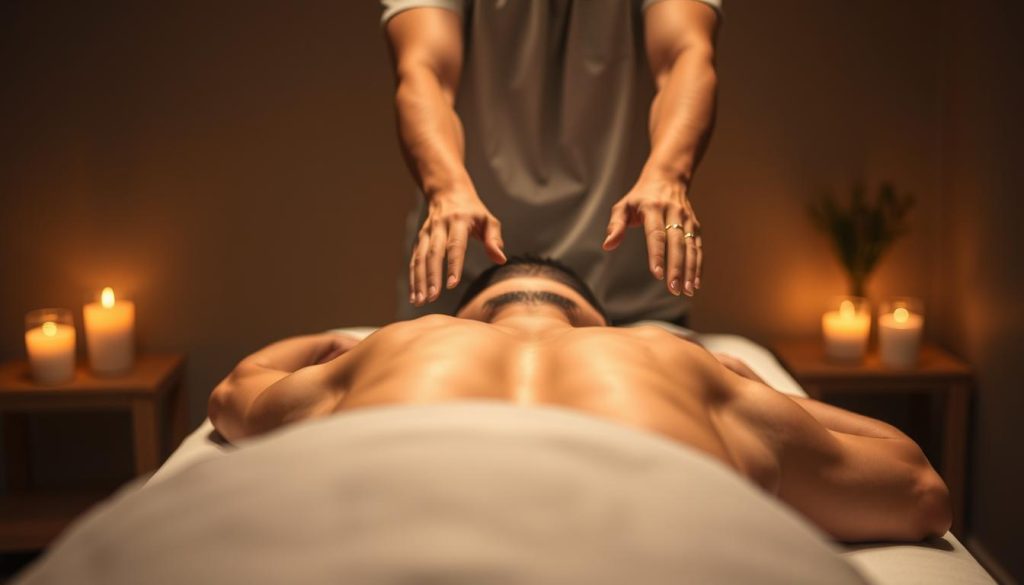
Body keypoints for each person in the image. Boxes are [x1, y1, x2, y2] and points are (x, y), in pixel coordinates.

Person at [208, 256, 951, 543]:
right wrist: (755, 386)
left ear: (469, 316)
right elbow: (917, 487)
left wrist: (334, 342)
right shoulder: (672, 358)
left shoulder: (392, 347)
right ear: (599, 322)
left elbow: (233, 393)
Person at [382, 0, 721, 325]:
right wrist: (447, 189)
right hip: (461, 289)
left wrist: (668, 177)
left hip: (630, 291)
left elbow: (684, 55)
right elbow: (426, 70)